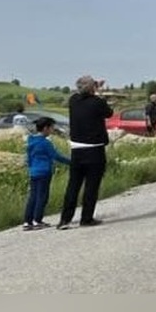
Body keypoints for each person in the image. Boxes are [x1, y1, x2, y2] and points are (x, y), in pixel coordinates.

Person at [57, 75, 113, 230]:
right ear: (92, 87)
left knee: (73, 185)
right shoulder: (97, 102)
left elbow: (83, 95)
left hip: (76, 148)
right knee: (91, 186)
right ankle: (86, 218)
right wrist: (100, 92)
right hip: (94, 149)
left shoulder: (73, 101)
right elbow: (109, 113)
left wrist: (93, 88)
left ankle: (65, 220)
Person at [23, 116, 70, 231]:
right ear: (45, 128)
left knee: (33, 196)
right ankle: (37, 220)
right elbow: (56, 156)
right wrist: (71, 162)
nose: (53, 130)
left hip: (33, 171)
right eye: (52, 128)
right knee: (42, 196)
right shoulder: (45, 143)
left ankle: (27, 221)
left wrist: (30, 168)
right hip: (44, 171)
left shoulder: (31, 140)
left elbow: (28, 158)